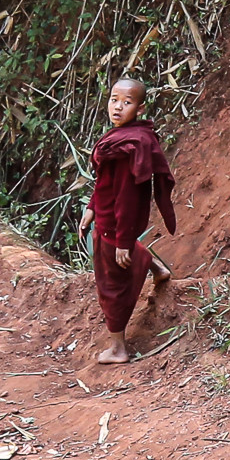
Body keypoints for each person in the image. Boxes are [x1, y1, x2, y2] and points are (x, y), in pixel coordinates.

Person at [76, 77, 177, 363]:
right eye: (114, 99)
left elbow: (128, 200)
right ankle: (157, 267)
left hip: (114, 228)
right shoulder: (123, 136)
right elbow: (105, 183)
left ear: (140, 108)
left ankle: (118, 348)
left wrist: (123, 241)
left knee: (112, 287)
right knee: (115, 274)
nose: (118, 107)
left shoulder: (132, 146)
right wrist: (92, 207)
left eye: (127, 102)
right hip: (106, 218)